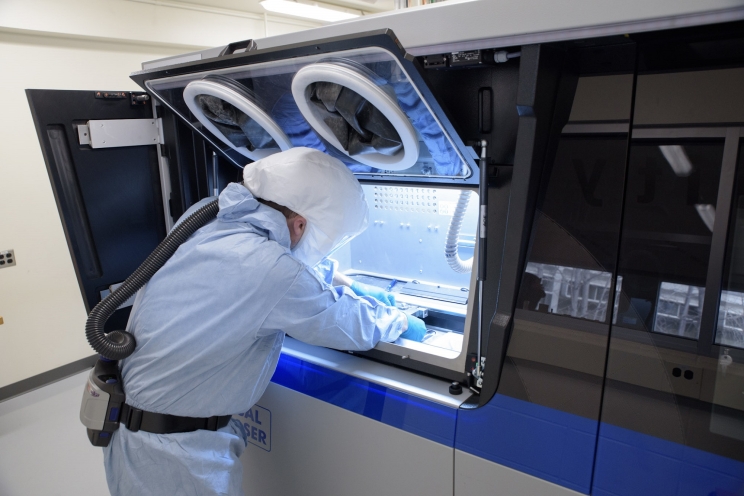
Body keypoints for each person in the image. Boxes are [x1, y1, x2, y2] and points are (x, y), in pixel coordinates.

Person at [103, 147, 427, 495]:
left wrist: (356, 287)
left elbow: (288, 266)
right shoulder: (269, 269)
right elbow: (346, 324)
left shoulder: (209, 215)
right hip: (174, 458)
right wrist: (397, 320)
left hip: (140, 436)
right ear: (300, 223)